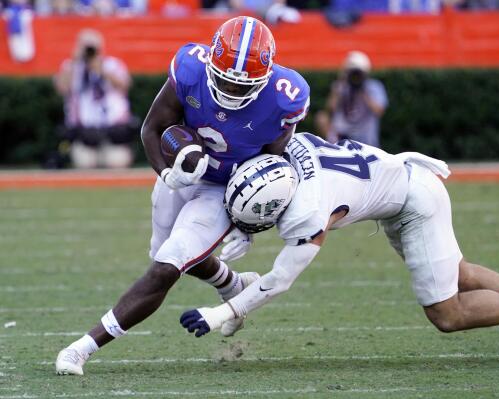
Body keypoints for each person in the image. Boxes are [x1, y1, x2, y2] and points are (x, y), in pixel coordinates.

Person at [55, 16, 310, 375]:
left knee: (166, 267)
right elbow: (152, 128)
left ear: (265, 78)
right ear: (211, 65)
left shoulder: (286, 97)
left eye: (243, 86)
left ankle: (81, 348)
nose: (232, 91)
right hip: (181, 173)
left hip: (224, 188)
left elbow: (273, 165)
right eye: (224, 80)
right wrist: (167, 173)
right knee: (166, 252)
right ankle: (232, 283)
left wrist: (248, 219)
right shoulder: (190, 66)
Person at [180, 133, 499, 361]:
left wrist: (221, 313)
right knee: (461, 274)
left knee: (446, 313)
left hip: (414, 202)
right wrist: (247, 226)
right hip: (401, 187)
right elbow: (261, 186)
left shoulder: (310, 210)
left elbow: (281, 279)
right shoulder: (287, 147)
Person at [54, 29, 135, 169]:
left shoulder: (112, 64)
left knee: (117, 162)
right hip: (84, 134)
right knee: (85, 163)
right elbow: (61, 88)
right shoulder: (71, 66)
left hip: (114, 131)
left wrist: (101, 70)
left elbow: (125, 85)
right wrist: (74, 61)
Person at [316, 51, 387, 148]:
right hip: (342, 134)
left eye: (358, 73)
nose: (356, 76)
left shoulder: (373, 86)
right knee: (321, 117)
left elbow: (379, 111)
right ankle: (334, 145)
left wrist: (363, 90)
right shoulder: (341, 85)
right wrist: (340, 82)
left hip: (365, 137)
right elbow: (331, 108)